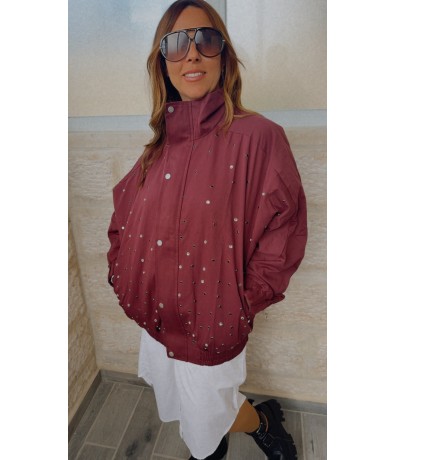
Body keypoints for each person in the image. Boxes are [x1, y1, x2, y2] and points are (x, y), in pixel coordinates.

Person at [107, 1, 307, 459]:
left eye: (206, 40)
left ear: (224, 55)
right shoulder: (157, 149)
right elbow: (123, 219)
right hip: (157, 319)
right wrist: (122, 274)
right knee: (184, 405)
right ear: (163, 62)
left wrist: (239, 301)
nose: (192, 53)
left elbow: (285, 230)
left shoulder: (260, 137)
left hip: (213, 323)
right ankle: (238, 431)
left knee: (207, 412)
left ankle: (262, 425)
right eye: (177, 43)